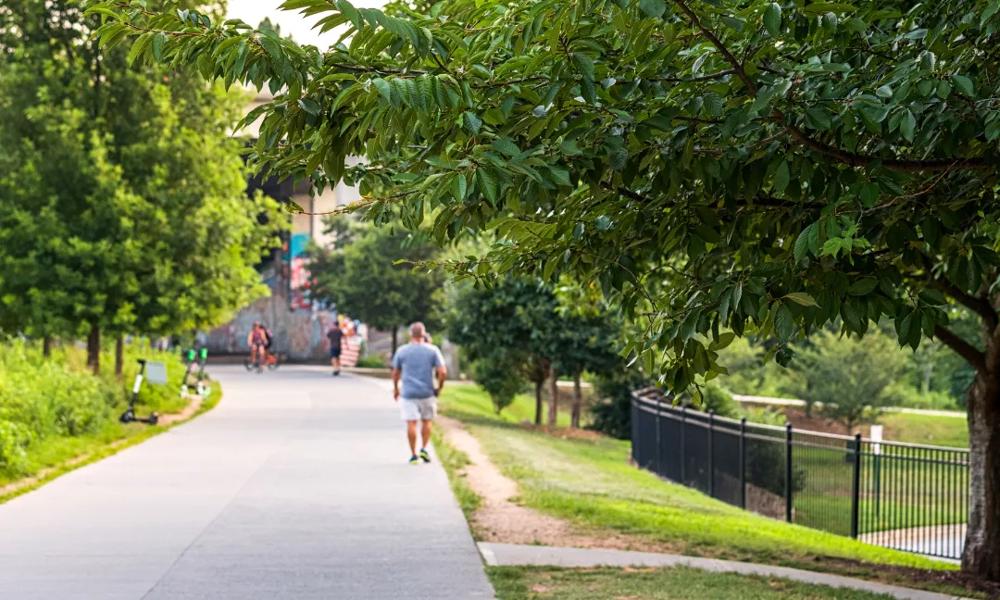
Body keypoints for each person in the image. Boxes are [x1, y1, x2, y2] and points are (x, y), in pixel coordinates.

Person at [391, 322, 446, 464]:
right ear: (424, 334)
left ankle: (413, 455)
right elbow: (442, 371)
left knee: (411, 423)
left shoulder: (402, 351)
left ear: (411, 334)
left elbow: (395, 372)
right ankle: (424, 448)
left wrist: (396, 388)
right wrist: (439, 387)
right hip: (427, 392)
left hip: (408, 393)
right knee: (427, 421)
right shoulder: (432, 350)